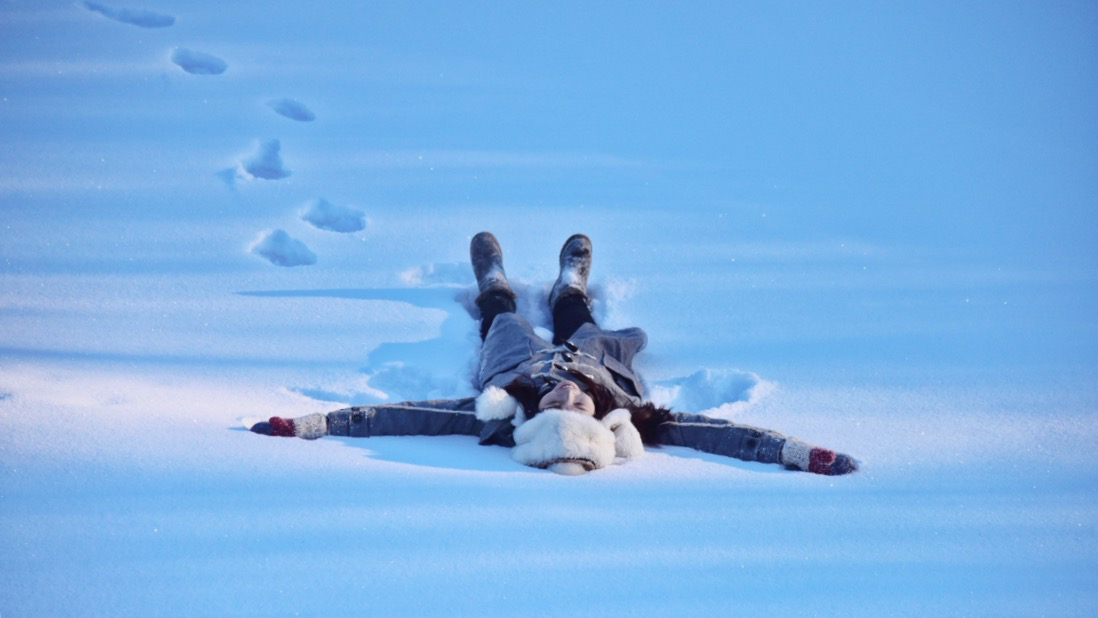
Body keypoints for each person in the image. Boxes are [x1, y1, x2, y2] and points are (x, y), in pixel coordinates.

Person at [250, 232, 858, 476]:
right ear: (599, 421)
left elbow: (402, 417)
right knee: (588, 332)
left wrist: (314, 424)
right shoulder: (630, 415)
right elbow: (717, 434)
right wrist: (795, 452)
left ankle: (493, 284)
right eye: (577, 406)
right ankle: (571, 290)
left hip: (513, 358)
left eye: (556, 406)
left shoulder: (499, 405)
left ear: (533, 419)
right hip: (602, 358)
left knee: (507, 323)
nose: (567, 393)